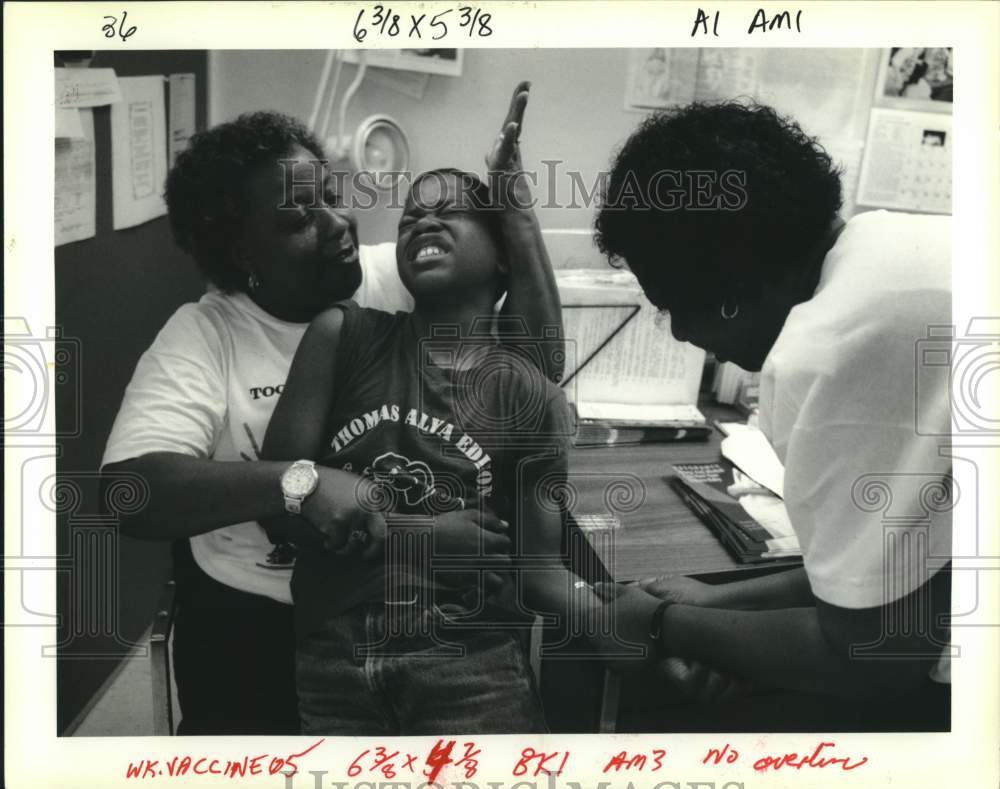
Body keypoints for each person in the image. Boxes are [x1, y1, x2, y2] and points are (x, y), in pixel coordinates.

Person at [100, 85, 565, 735]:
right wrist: (305, 482)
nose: (339, 225)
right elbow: (130, 491)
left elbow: (530, 369)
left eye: (330, 198)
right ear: (242, 254)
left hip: (418, 608)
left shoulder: (387, 282)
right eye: (298, 220)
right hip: (257, 620)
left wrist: (512, 212)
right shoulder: (204, 335)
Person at [591, 101, 952, 730]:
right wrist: (721, 604)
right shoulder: (892, 246)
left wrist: (663, 623)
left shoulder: (833, 347)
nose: (678, 335)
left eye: (673, 305)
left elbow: (875, 656)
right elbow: (896, 577)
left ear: (730, 284)